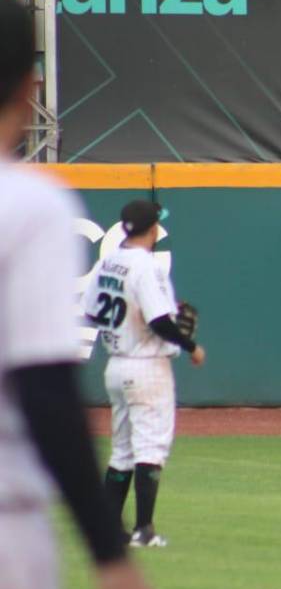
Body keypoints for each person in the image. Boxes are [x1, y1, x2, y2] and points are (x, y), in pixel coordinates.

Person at [0, 0, 155, 589]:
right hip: (7, 525)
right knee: (141, 448)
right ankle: (137, 530)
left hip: (120, 360)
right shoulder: (30, 203)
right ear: (31, 85)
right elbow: (43, 393)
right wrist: (108, 557)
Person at [84, 200, 205, 548]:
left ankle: (109, 530)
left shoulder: (108, 261)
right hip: (147, 365)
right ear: (153, 229)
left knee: (121, 451)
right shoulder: (146, 267)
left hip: (116, 364)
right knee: (150, 447)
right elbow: (158, 321)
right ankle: (143, 530)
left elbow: (92, 313)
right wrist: (191, 346)